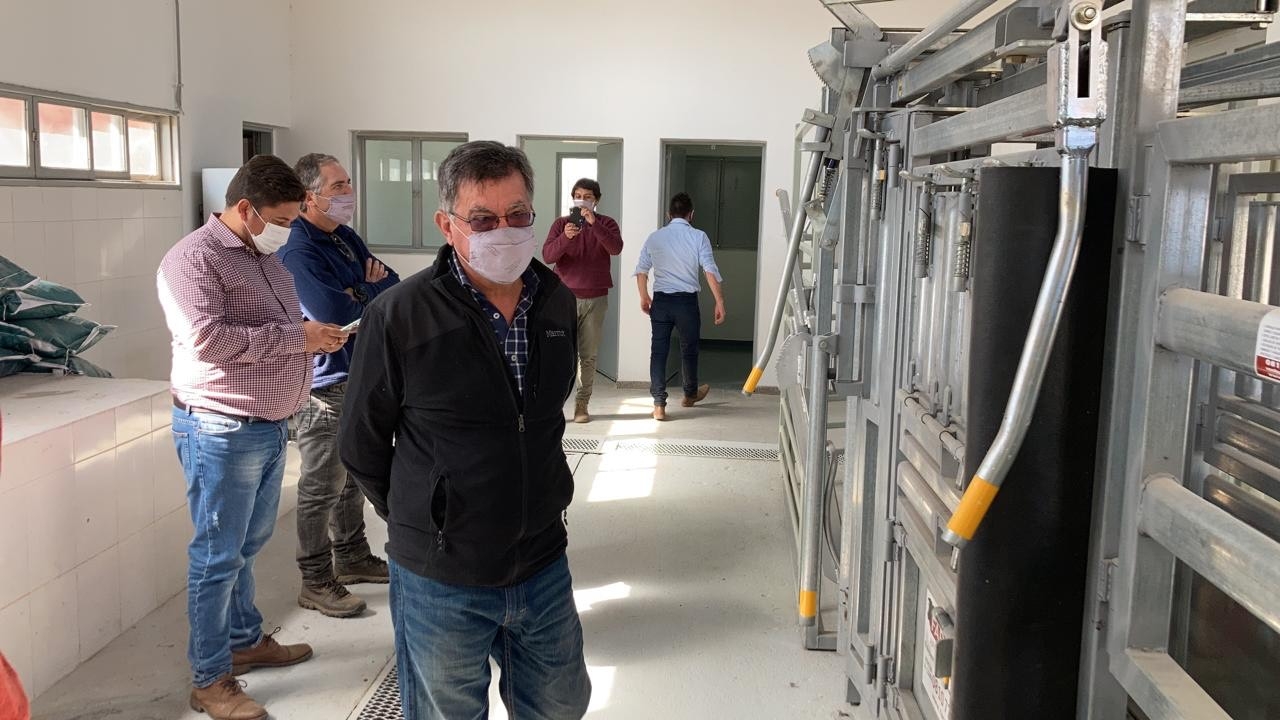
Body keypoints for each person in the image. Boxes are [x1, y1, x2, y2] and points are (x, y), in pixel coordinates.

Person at [339, 140, 591, 720]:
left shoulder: (554, 301)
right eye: (482, 219)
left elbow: (543, 417)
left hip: (541, 561)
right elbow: (361, 442)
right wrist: (428, 515)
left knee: (561, 705)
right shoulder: (399, 315)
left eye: (518, 215)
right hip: (442, 577)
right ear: (447, 225)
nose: (504, 232)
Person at [158, 155, 349, 720]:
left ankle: (243, 641)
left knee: (246, 546)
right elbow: (208, 340)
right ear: (246, 208)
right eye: (283, 220)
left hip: (266, 426)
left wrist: (312, 339)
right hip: (220, 426)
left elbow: (281, 328)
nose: (288, 231)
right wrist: (299, 338)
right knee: (217, 556)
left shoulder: (261, 257)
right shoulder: (192, 259)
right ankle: (209, 679)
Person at [281, 153, 400, 619]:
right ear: (309, 197)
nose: (348, 192)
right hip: (323, 381)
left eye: (348, 182)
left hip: (356, 369)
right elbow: (331, 313)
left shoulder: (343, 236)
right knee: (321, 484)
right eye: (338, 186)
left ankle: (351, 556)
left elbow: (393, 285)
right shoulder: (298, 248)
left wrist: (361, 292)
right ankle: (315, 579)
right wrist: (364, 291)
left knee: (351, 472)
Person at [634, 192, 726, 421]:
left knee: (658, 351)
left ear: (669, 214)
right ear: (691, 214)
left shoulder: (655, 237)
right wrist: (719, 301)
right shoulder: (699, 236)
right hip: (686, 303)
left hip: (661, 302)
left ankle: (659, 404)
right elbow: (709, 270)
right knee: (689, 349)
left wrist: (644, 296)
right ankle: (689, 395)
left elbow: (642, 270)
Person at [542, 178, 623, 423]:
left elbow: (615, 248)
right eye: (578, 196)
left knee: (588, 355)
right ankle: (554, 406)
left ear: (596, 200)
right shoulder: (561, 224)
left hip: (596, 297)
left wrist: (594, 224)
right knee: (560, 353)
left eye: (587, 197)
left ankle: (581, 404)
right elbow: (548, 256)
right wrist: (565, 238)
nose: (582, 200)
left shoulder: (607, 223)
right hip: (563, 298)